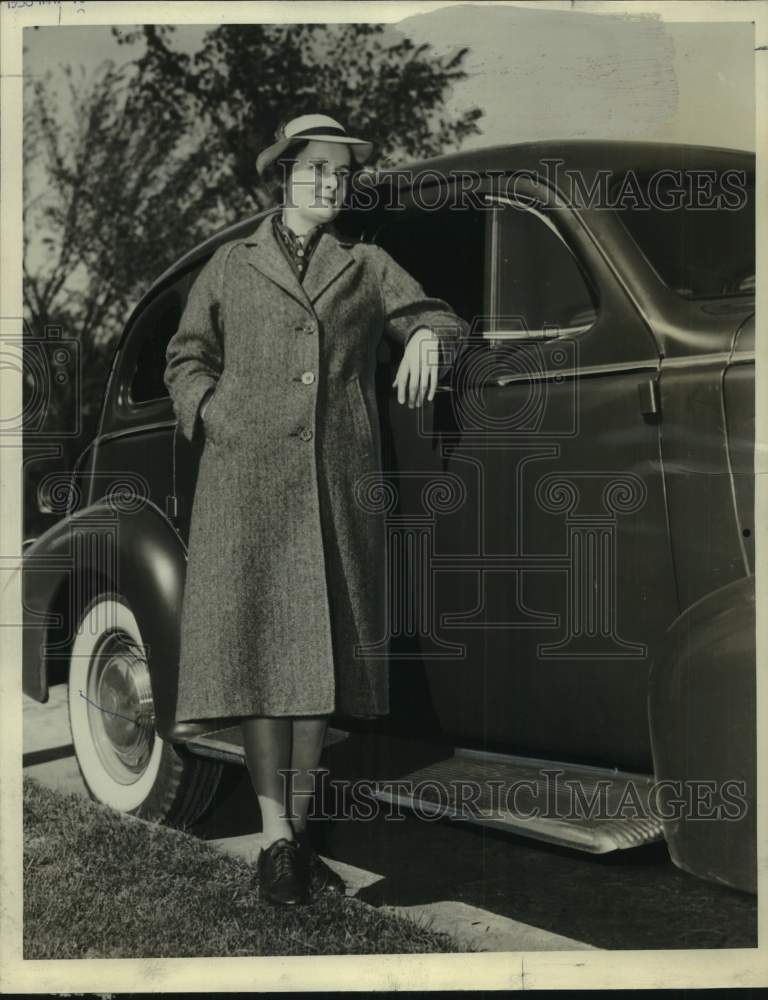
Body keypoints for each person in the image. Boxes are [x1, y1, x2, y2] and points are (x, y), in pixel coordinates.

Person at [164, 113, 470, 906]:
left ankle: (292, 843)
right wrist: (215, 413)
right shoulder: (232, 267)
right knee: (265, 669)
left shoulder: (366, 265)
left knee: (315, 676)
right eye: (317, 170)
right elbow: (185, 356)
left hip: (334, 493)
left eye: (342, 173)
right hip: (246, 490)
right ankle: (276, 841)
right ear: (285, 174)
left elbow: (434, 313)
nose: (331, 183)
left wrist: (431, 338)